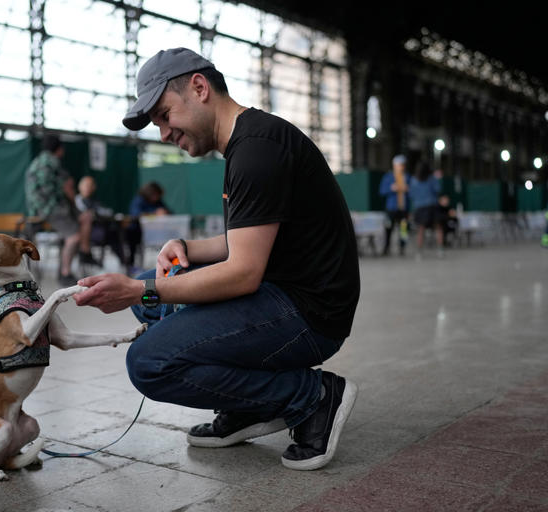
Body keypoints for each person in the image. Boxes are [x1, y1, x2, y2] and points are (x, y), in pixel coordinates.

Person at [73, 47, 360, 471]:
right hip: (283, 291)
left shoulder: (258, 149)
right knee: (147, 291)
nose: (164, 133)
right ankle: (250, 405)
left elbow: (243, 272)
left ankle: (311, 396)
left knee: (149, 361)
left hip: (309, 314)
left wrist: (142, 289)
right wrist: (187, 249)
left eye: (165, 116)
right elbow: (244, 241)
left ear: (199, 88)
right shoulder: (248, 141)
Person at [25, 135, 98, 286]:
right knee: (74, 236)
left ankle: (85, 252)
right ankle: (65, 273)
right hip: (50, 209)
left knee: (85, 217)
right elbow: (67, 188)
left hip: (40, 209)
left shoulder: (37, 161)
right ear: (59, 149)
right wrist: (74, 203)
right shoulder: (52, 162)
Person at [124, 182, 172, 272]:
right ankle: (131, 265)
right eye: (156, 195)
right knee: (132, 236)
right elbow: (136, 214)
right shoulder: (139, 200)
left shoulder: (158, 201)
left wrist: (164, 211)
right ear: (151, 194)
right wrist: (154, 213)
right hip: (137, 230)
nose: (157, 198)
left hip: (155, 231)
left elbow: (169, 211)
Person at [409, 162, 444, 256]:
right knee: (438, 228)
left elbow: (411, 194)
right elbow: (438, 189)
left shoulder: (413, 180)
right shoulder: (431, 179)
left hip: (420, 207)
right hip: (432, 206)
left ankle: (419, 251)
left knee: (421, 229)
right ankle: (440, 250)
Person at [379, 155, 410, 256]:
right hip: (391, 209)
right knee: (388, 229)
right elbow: (382, 191)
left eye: (403, 165)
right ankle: (386, 248)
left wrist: (408, 189)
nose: (401, 167)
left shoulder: (407, 177)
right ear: (394, 165)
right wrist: (391, 189)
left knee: (404, 229)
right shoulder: (388, 177)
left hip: (403, 209)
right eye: (399, 165)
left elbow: (412, 192)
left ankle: (402, 248)